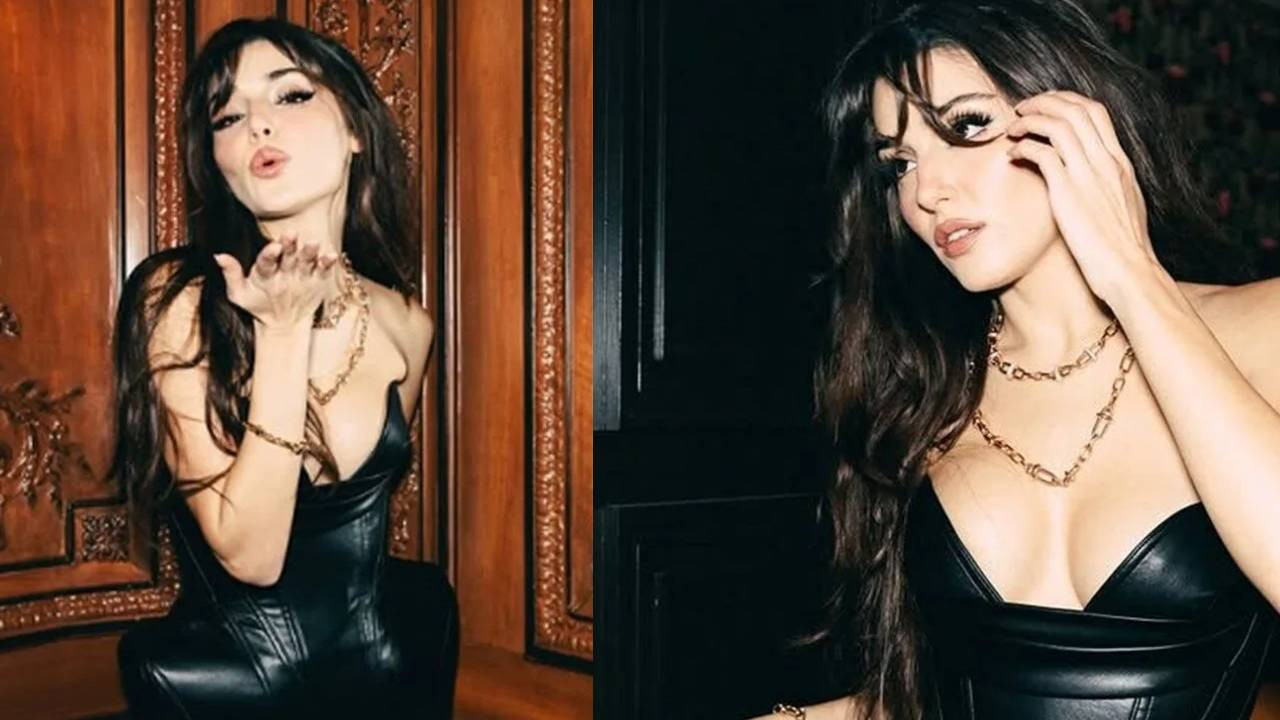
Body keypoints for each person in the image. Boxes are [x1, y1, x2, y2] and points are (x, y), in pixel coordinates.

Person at [758, 1, 1280, 718]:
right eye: (899, 163)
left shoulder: (1262, 327)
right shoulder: (924, 394)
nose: (927, 192)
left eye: (967, 126)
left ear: (1082, 121)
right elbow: (925, 697)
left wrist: (1132, 276)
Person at [110, 17, 457, 718]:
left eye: (290, 95)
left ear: (355, 129)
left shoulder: (407, 322)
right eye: (228, 116)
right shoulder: (174, 299)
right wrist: (285, 331)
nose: (257, 126)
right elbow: (253, 556)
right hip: (226, 691)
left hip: (394, 675)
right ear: (218, 160)